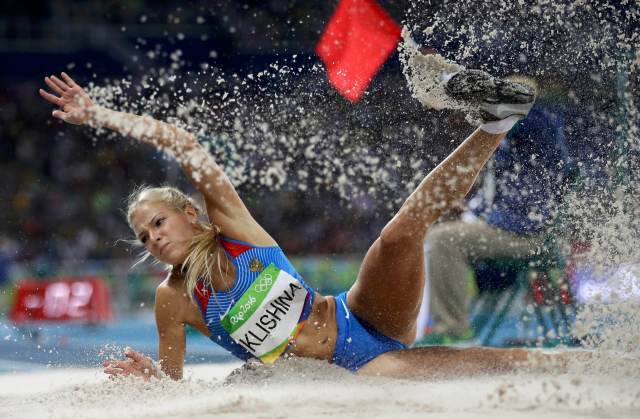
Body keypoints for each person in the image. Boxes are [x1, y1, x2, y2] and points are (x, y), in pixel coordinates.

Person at [39, 69, 567, 381]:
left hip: (359, 315)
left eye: (158, 222)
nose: (153, 237)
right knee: (493, 365)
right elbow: (174, 386)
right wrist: (151, 380)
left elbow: (183, 144)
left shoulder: (235, 229)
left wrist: (102, 116)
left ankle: (496, 122)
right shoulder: (172, 299)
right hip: (346, 372)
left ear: (191, 214)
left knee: (399, 234)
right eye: (144, 235)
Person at [417, 78, 574, 343]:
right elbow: (500, 196)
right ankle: (440, 324)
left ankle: (451, 329)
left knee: (441, 240)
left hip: (527, 235)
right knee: (440, 233)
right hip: (516, 227)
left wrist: (448, 84)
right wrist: (469, 208)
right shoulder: (514, 135)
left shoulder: (536, 122)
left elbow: (512, 206)